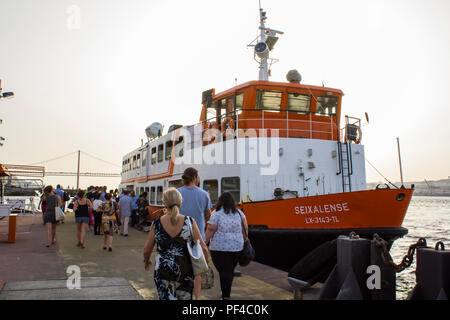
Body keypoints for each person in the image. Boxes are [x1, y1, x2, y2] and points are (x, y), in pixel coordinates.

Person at [143, 188, 210, 300]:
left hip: (163, 271)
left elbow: (146, 250)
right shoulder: (189, 221)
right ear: (180, 202)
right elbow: (203, 248)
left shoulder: (156, 224)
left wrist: (147, 261)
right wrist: (204, 263)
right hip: (185, 271)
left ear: (163, 203)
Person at [205, 192, 248, 300]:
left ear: (221, 201)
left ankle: (225, 296)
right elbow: (245, 228)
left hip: (220, 247)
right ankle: (226, 294)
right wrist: (244, 240)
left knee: (224, 271)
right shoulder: (239, 213)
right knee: (229, 271)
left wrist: (203, 243)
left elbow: (211, 229)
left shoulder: (217, 213)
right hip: (236, 247)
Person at [177, 167, 212, 298]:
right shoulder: (204, 195)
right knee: (197, 272)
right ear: (195, 177)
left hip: (179, 237)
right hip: (198, 239)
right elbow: (208, 217)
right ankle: (197, 297)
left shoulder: (177, 193)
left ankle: (181, 295)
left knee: (180, 269)